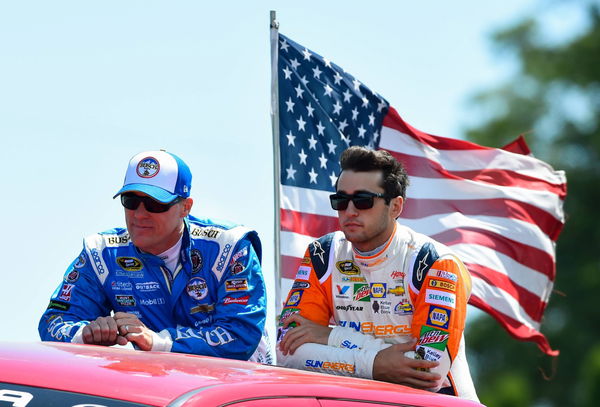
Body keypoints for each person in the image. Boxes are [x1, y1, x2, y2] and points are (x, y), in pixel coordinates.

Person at [277, 146, 478, 401]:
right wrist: (375, 362)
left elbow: (428, 371)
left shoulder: (435, 262)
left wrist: (330, 336)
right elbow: (287, 351)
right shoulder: (323, 254)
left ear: (395, 207)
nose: (350, 211)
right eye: (340, 200)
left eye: (363, 200)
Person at [39, 150, 271, 364]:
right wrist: (85, 334)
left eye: (154, 204)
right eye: (130, 201)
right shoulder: (101, 253)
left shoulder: (229, 247)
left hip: (236, 383)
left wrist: (158, 342)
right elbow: (55, 321)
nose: (140, 214)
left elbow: (240, 335)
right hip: (157, 385)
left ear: (185, 207)